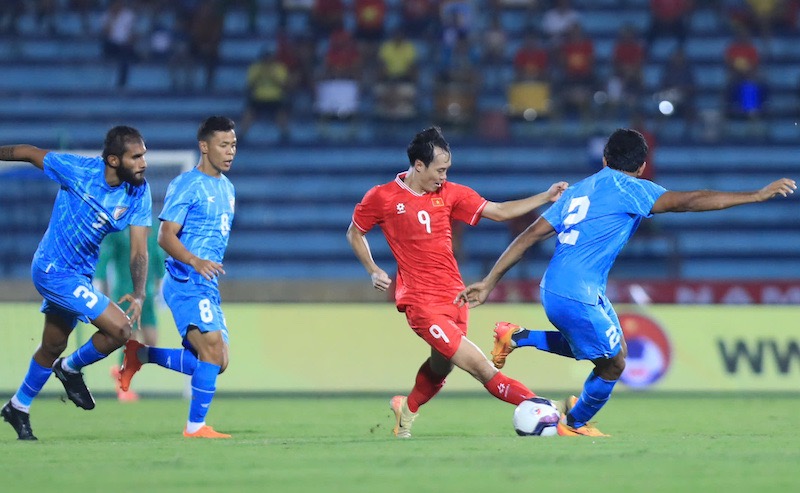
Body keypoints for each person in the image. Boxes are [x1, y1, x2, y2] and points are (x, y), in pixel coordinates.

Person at [457, 128, 796, 437]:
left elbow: (529, 236)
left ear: (605, 159)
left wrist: (489, 282)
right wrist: (755, 195)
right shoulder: (631, 188)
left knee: (612, 352)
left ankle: (519, 338)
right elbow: (688, 201)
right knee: (613, 363)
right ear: (642, 166)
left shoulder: (578, 190)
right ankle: (574, 424)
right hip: (577, 294)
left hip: (558, 287)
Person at [346, 126, 569, 438]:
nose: (444, 176)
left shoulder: (450, 194)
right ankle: (547, 407)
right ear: (419, 166)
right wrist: (372, 268)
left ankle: (405, 410)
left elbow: (501, 211)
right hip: (421, 303)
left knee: (441, 367)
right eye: (439, 169)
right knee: (480, 367)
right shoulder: (382, 197)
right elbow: (355, 232)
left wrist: (546, 197)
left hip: (455, 298)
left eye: (447, 169)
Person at [0, 126, 152, 441]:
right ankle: (69, 369)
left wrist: (139, 294)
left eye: (144, 155)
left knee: (53, 344)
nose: (143, 163)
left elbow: (139, 250)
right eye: (135, 156)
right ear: (113, 160)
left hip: (78, 275)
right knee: (121, 330)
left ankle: (18, 406)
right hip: (52, 269)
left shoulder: (138, 191)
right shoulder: (79, 171)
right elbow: (29, 152)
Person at [117, 116, 237, 439]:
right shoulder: (186, 184)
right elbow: (165, 236)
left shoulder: (228, 188)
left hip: (207, 282)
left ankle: (140, 355)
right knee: (211, 350)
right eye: (223, 145)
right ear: (204, 146)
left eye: (233, 145)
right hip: (185, 278)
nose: (230, 152)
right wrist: (195, 261)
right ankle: (195, 427)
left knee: (217, 360)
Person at [95, 226, 166, 401]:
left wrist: (162, 288)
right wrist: (98, 284)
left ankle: (121, 371)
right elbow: (105, 258)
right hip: (125, 293)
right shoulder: (118, 229)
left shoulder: (154, 226)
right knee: (131, 339)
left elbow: (158, 258)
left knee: (151, 341)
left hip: (147, 296)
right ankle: (123, 386)